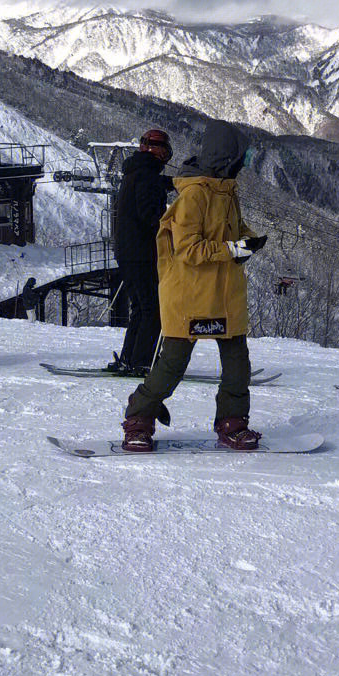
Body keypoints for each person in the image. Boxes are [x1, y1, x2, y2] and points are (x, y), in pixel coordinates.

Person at [120, 119, 266, 452]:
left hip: (224, 294)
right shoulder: (194, 196)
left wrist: (249, 240)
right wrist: (232, 250)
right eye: (242, 156)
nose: (245, 163)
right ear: (227, 157)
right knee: (172, 364)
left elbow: (236, 228)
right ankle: (138, 419)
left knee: (237, 365)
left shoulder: (226, 191)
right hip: (189, 295)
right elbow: (188, 249)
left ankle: (233, 423)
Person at [109, 128, 175, 376]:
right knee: (152, 309)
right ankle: (142, 362)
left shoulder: (136, 172)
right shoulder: (146, 175)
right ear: (156, 150)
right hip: (141, 252)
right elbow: (149, 214)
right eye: (165, 149)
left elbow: (152, 188)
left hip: (127, 251)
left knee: (140, 306)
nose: (166, 155)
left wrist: (170, 183)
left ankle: (130, 357)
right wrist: (173, 225)